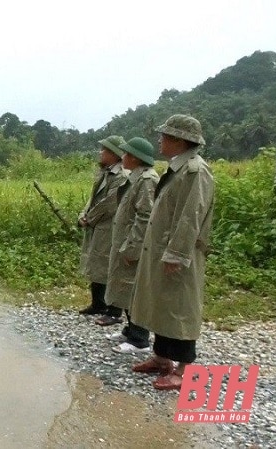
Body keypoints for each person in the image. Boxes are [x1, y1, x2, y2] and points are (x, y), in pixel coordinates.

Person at [129, 114, 215, 390]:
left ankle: (184, 369)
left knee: (180, 307)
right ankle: (162, 358)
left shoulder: (195, 171)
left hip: (179, 252)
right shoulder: (178, 168)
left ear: (178, 140)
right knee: (162, 303)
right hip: (161, 249)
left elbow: (192, 216)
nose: (159, 141)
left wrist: (177, 253)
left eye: (164, 136)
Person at [102, 137, 159, 353]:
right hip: (125, 241)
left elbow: (144, 217)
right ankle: (130, 329)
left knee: (134, 289)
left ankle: (139, 339)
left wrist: (133, 247)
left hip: (133, 244)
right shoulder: (135, 177)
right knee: (125, 287)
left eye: (125, 154)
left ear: (134, 157)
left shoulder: (146, 181)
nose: (122, 157)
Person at [77, 135, 129, 318]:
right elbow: (93, 199)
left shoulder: (121, 176)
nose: (101, 153)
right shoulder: (105, 173)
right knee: (96, 263)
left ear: (115, 154)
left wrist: (89, 218)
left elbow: (109, 203)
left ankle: (113, 309)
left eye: (105, 150)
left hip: (109, 226)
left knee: (108, 265)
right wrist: (83, 214)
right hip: (98, 225)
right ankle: (98, 304)